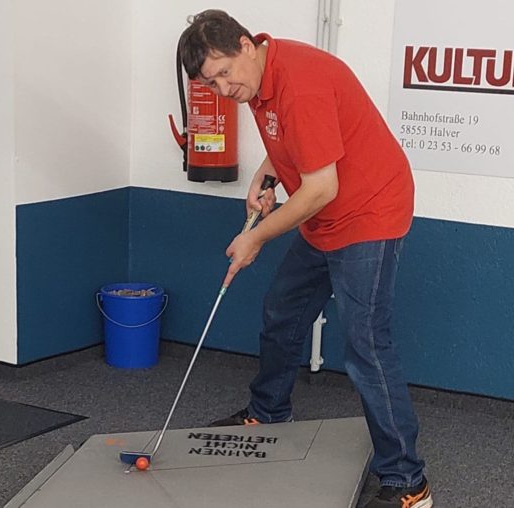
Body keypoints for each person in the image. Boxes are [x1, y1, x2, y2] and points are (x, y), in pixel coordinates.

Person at [177, 10, 431, 508]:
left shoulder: (301, 82)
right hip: (324, 213)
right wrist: (267, 175)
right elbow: (293, 140)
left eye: (225, 72)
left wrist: (255, 239)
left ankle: (409, 484)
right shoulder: (258, 81)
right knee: (282, 309)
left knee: (365, 346)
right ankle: (268, 413)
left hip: (368, 212)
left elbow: (319, 187)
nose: (224, 88)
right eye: (212, 82)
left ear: (247, 45)